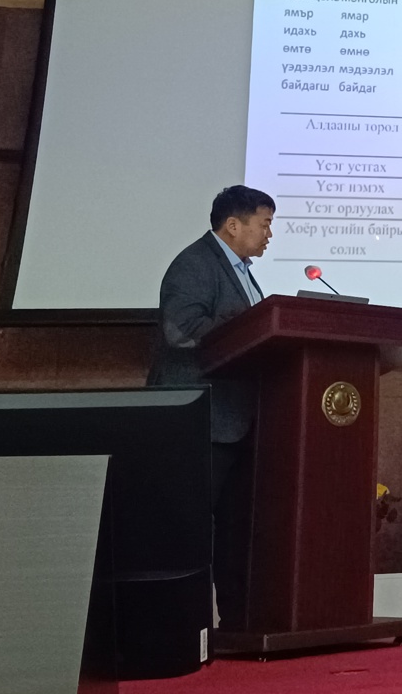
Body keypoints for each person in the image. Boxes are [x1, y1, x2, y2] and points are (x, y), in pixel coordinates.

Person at [150, 184, 276, 626]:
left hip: (236, 421)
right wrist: (248, 329)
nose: (269, 235)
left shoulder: (242, 272)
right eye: (265, 224)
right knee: (189, 527)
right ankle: (179, 625)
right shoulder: (195, 264)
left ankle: (237, 625)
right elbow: (181, 329)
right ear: (233, 225)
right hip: (201, 420)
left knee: (236, 529)